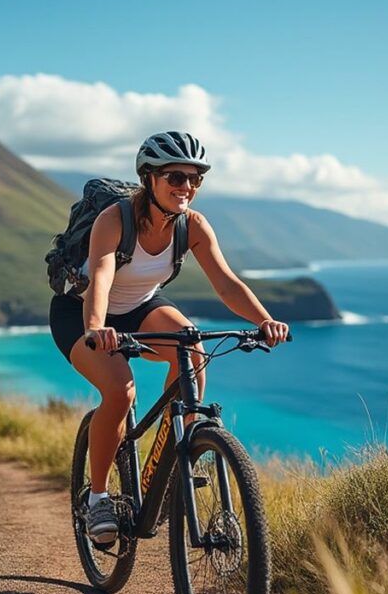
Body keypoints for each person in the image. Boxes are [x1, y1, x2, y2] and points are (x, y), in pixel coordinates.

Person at [48, 130, 290, 543]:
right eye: (176, 177)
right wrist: (96, 328)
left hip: (142, 306)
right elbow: (102, 278)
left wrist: (266, 320)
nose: (187, 187)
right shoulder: (115, 219)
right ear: (149, 178)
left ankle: (180, 456)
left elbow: (227, 284)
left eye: (196, 178)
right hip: (84, 313)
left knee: (192, 350)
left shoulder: (191, 225)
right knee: (120, 392)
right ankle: (100, 497)